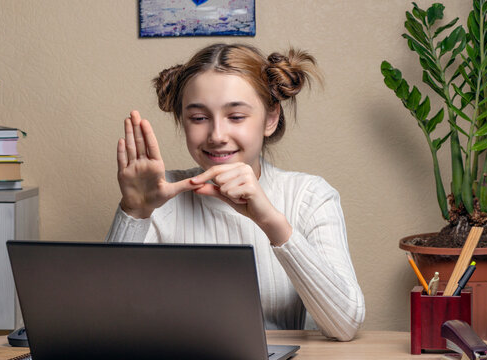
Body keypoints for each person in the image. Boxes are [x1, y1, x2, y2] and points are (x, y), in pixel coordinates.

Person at [106, 43, 365, 341]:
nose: (217, 136)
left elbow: (345, 325)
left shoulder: (310, 196)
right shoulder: (158, 195)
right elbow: (105, 322)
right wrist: (135, 212)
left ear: (270, 119)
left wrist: (271, 222)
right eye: (199, 118)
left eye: (236, 116)